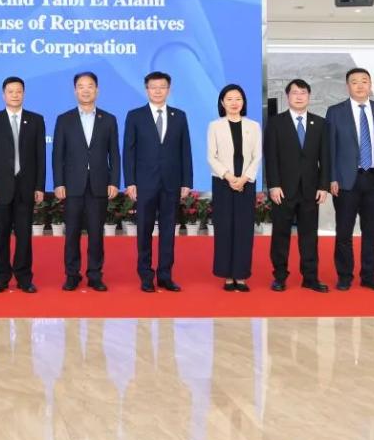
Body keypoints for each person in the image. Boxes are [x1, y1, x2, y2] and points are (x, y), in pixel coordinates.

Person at [325, 67, 374, 292]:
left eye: (364, 81)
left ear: (370, 84)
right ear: (347, 86)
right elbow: (329, 148)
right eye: (354, 81)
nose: (360, 85)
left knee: (372, 231)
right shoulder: (336, 111)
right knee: (344, 231)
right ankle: (344, 276)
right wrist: (331, 178)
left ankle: (369, 276)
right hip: (346, 180)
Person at [123, 71, 193, 293]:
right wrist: (130, 181)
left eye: (162, 87)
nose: (158, 91)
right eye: (153, 87)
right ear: (147, 90)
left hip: (171, 182)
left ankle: (165, 275)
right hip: (144, 183)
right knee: (144, 230)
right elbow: (129, 151)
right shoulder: (135, 116)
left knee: (168, 231)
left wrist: (186, 181)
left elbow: (185, 150)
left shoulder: (179, 116)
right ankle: (146, 275)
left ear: (168, 90)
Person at [52, 72, 120, 292]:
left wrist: (114, 181)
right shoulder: (64, 119)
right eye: (81, 86)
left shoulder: (108, 119)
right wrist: (59, 183)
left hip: (99, 184)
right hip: (72, 185)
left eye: (90, 86)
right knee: (72, 233)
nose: (86, 90)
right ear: (75, 91)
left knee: (96, 233)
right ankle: (72, 275)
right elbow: (57, 155)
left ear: (97, 90)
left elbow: (114, 154)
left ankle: (95, 274)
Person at [264, 79, 331, 292]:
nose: (299, 96)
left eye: (303, 92)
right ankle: (280, 276)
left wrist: (323, 186)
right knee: (280, 234)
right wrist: (273, 185)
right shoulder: (276, 123)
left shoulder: (320, 123)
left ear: (309, 96)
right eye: (295, 92)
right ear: (287, 97)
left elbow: (325, 157)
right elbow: (270, 157)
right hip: (283, 190)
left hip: (311, 190)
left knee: (309, 236)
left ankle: (310, 277)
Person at [0, 76, 46, 294]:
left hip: (26, 187)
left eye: (19, 91)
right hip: (1, 188)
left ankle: (24, 278)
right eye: (11, 92)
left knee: (24, 236)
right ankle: (1, 278)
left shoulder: (36, 120)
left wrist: (39, 186)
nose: (15, 95)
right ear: (3, 95)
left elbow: (40, 157)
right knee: (1, 235)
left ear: (24, 94)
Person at [206, 84, 262, 292]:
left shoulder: (253, 126)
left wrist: (244, 178)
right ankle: (228, 275)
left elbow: (257, 156)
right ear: (222, 102)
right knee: (225, 228)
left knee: (244, 229)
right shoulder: (215, 126)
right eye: (229, 99)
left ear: (244, 102)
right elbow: (211, 156)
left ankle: (241, 274)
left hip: (246, 183)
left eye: (238, 98)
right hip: (223, 182)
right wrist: (230, 177)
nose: (234, 103)